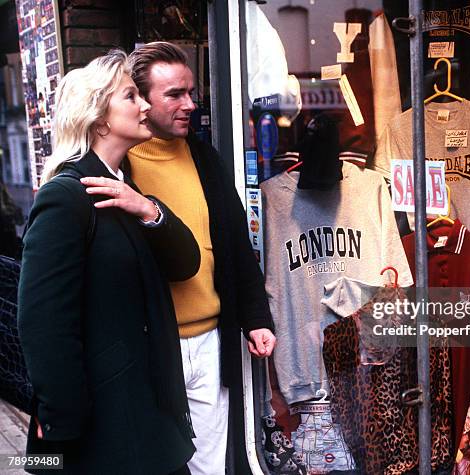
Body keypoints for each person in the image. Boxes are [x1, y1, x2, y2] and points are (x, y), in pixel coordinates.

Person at [18, 50, 200, 474]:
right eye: (131, 96)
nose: (144, 106)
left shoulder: (125, 189)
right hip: (101, 426)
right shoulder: (65, 197)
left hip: (144, 412)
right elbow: (44, 324)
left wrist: (148, 210)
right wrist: (61, 422)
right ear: (100, 118)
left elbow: (184, 263)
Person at [127, 41, 276, 474]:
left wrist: (257, 318)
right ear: (140, 100)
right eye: (174, 94)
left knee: (210, 464)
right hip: (153, 344)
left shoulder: (203, 156)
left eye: (191, 92)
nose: (190, 104)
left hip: (212, 340)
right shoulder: (118, 168)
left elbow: (234, 245)